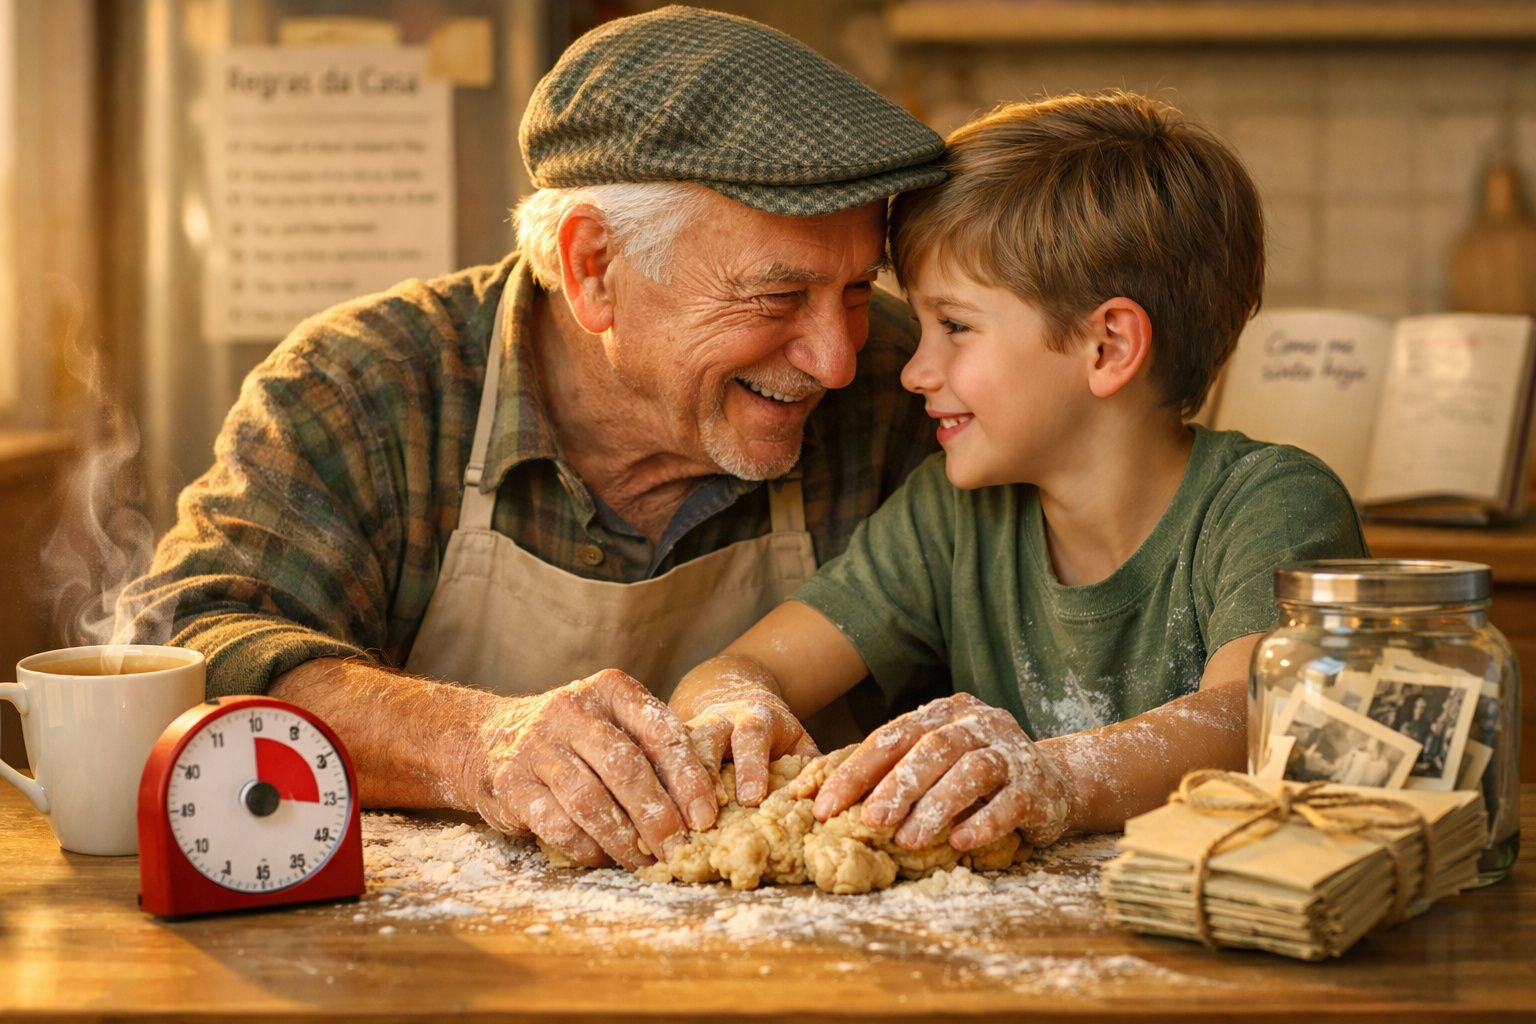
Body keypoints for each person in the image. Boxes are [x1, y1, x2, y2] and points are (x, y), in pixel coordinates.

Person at [119, 7, 945, 871]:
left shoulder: (909, 384)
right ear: (594, 268)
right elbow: (184, 650)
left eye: (858, 289)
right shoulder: (368, 388)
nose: (836, 360)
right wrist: (474, 743)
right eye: (777, 297)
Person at [669, 91, 1371, 852]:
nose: (914, 371)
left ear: (1108, 347)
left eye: (955, 326)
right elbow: (742, 670)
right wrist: (738, 708)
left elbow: (1258, 719)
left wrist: (1057, 776)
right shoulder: (951, 518)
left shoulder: (1271, 505)